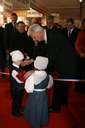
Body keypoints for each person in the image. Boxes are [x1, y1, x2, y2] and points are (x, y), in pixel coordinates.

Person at [27, 24, 80, 112]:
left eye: (34, 37)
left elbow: (50, 59)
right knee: (63, 83)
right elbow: (42, 51)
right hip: (62, 60)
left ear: (39, 32)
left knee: (59, 84)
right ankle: (63, 102)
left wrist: (35, 70)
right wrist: (32, 60)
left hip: (67, 62)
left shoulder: (54, 37)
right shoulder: (45, 35)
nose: (34, 39)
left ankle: (55, 107)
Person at [24, 56, 53, 128]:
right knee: (42, 108)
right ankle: (41, 120)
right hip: (43, 94)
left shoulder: (32, 76)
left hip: (34, 95)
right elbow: (49, 86)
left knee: (34, 108)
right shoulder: (49, 76)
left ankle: (34, 122)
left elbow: (28, 89)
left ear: (35, 65)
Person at [10, 50, 34, 117]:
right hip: (15, 89)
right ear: (16, 60)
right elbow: (20, 80)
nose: (21, 62)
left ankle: (19, 107)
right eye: (21, 60)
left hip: (19, 88)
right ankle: (15, 112)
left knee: (19, 99)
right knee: (16, 101)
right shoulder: (14, 70)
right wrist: (27, 76)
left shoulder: (17, 66)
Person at [75, 19, 85, 94]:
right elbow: (77, 44)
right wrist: (80, 53)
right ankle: (80, 88)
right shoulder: (81, 33)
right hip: (82, 56)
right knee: (80, 73)